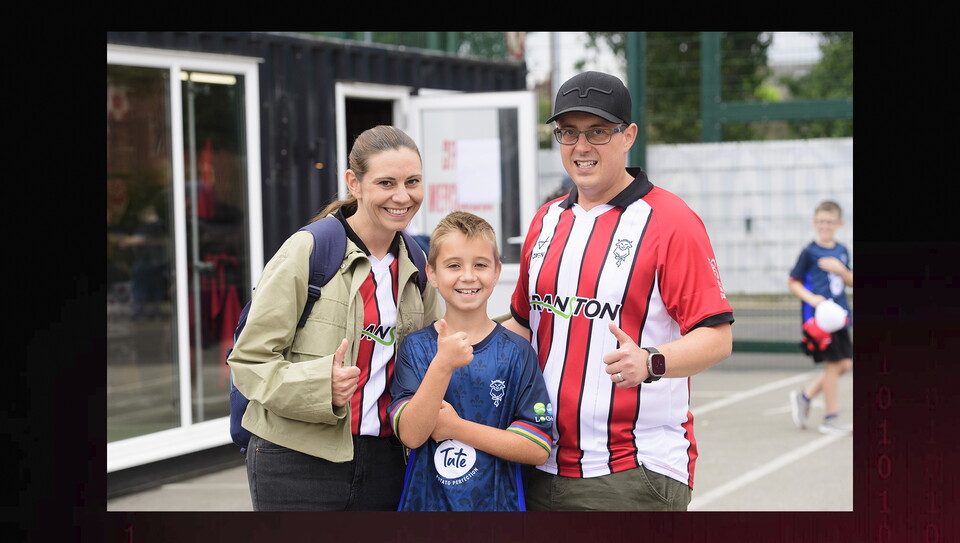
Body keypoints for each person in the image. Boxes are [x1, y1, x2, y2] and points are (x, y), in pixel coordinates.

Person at [500, 71, 734, 511]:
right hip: (536, 459)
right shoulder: (546, 220)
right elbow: (523, 324)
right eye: (568, 132)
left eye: (598, 132)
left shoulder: (670, 221)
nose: (581, 147)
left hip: (631, 469)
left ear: (628, 136)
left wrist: (651, 361)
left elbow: (717, 338)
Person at [227, 125, 443, 511]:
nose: (402, 196)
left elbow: (429, 359)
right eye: (386, 183)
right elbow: (248, 361)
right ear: (354, 184)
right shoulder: (308, 250)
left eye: (412, 182)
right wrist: (317, 386)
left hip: (388, 463)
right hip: (295, 462)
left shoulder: (416, 264)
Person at [388, 211, 553, 511]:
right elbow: (411, 434)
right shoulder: (416, 348)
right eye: (454, 265)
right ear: (432, 273)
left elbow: (538, 446)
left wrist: (456, 428)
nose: (468, 276)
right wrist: (443, 364)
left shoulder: (517, 352)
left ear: (497, 271)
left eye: (480, 265)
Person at [788, 200, 853, 436]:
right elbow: (793, 281)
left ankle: (805, 396)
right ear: (815, 222)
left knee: (845, 364)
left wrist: (840, 269)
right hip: (821, 319)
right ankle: (830, 418)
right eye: (821, 222)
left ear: (839, 224)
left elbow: (850, 281)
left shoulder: (842, 250)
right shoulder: (809, 252)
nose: (825, 226)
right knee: (834, 366)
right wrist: (813, 299)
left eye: (830, 222)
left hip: (840, 315)